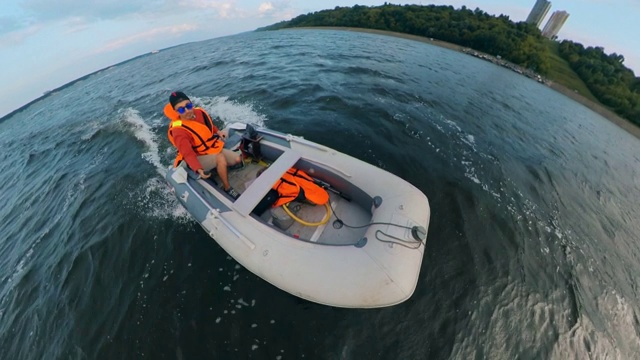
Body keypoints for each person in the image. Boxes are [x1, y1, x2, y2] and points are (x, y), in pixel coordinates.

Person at [164, 91, 242, 199]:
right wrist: (198, 169)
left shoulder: (199, 112)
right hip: (197, 155)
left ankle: (218, 168)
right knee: (220, 158)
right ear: (176, 111)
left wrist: (218, 132)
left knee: (237, 159)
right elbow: (188, 153)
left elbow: (208, 125)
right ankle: (227, 188)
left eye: (188, 105)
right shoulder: (179, 131)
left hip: (210, 148)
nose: (187, 111)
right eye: (181, 109)